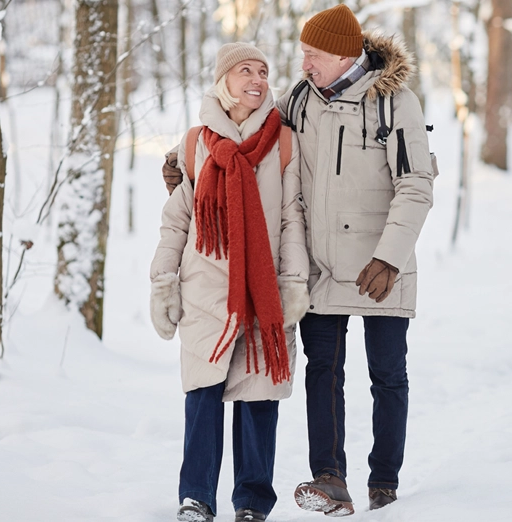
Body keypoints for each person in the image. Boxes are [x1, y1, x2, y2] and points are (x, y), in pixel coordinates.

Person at [278, 4, 437, 516]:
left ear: (346, 54)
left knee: (387, 374)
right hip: (322, 266)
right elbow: (248, 135)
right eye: (303, 52)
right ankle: (329, 478)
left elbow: (416, 185)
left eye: (314, 54)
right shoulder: (301, 99)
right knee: (322, 371)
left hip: (379, 267)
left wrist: (390, 257)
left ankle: (384, 484)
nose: (305, 63)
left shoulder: (394, 101)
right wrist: (185, 161)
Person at [150, 42, 311, 522]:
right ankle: (197, 497)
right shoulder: (196, 142)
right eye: (246, 70)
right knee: (202, 397)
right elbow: (176, 219)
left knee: (258, 399)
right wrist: (163, 280)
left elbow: (291, 217)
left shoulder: (282, 140)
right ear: (224, 80)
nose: (257, 79)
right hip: (207, 288)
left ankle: (252, 504)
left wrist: (294, 280)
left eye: (263, 71)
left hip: (263, 290)